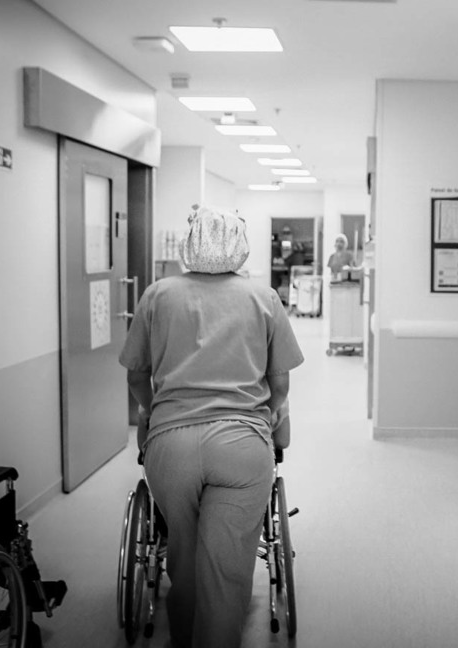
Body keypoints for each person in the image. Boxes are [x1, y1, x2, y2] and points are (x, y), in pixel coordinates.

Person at [119, 205, 303, 648]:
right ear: (239, 244)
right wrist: (273, 409)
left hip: (171, 447)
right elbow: (280, 381)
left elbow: (135, 376)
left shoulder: (158, 295)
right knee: (225, 569)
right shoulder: (263, 297)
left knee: (181, 557)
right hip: (241, 445)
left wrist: (151, 410)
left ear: (191, 241)